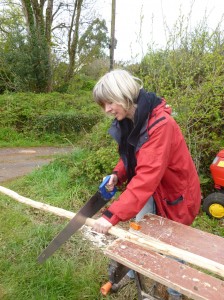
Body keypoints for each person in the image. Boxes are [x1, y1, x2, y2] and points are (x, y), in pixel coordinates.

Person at [92, 69, 201, 300]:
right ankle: (134, 270)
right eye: (104, 105)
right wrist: (116, 174)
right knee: (139, 232)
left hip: (175, 195)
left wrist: (110, 215)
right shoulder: (133, 118)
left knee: (173, 245)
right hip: (153, 191)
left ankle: (175, 292)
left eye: (110, 102)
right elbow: (132, 156)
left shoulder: (161, 125)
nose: (107, 110)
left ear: (124, 95)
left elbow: (146, 177)